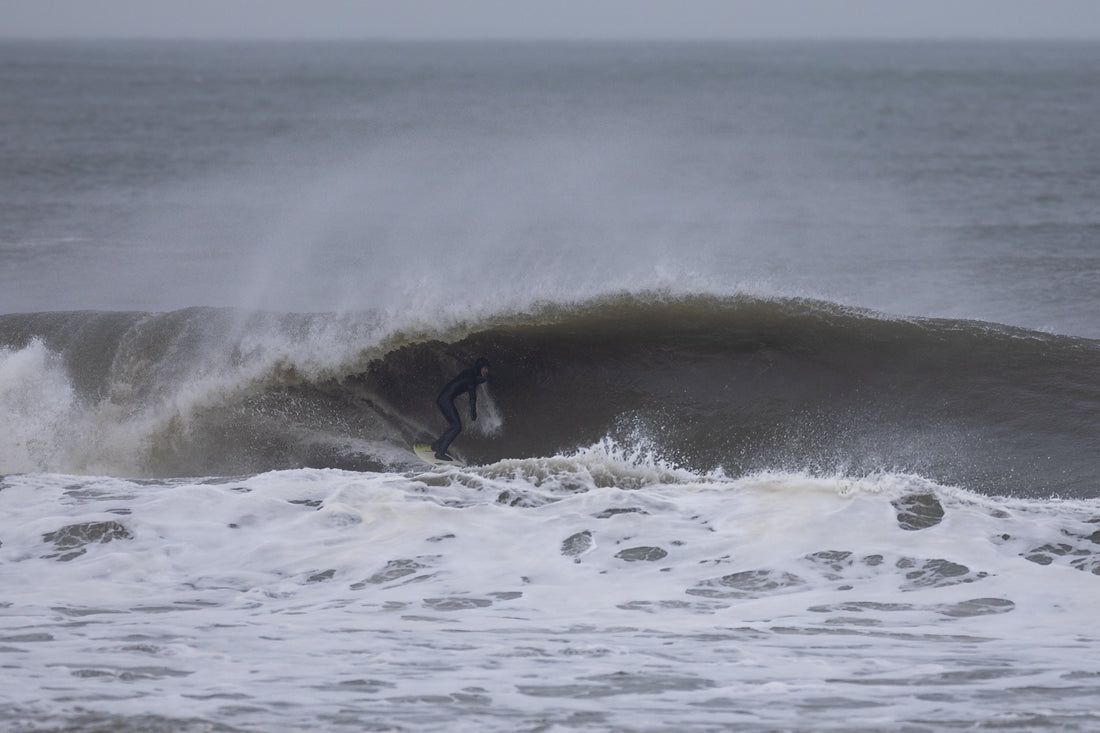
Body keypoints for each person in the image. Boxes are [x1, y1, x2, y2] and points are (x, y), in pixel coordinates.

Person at [431, 357, 489, 461]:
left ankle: (436, 446)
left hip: (444, 399)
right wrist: (473, 411)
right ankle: (440, 453)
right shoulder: (470, 376)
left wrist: (478, 380)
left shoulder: (471, 374)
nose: (486, 371)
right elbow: (472, 395)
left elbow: (471, 383)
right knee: (457, 427)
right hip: (445, 400)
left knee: (454, 426)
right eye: (485, 368)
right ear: (480, 367)